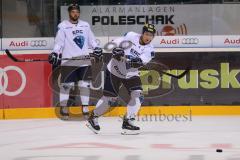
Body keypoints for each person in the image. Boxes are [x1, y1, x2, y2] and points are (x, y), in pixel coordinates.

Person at [86, 23, 156, 134]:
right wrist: (116, 49)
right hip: (114, 70)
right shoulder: (131, 36)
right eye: (147, 34)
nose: (148, 37)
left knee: (138, 96)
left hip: (131, 74)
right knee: (110, 99)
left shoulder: (150, 50)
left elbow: (140, 62)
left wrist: (135, 61)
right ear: (142, 33)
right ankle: (93, 117)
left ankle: (128, 121)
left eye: (151, 35)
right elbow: (114, 43)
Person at [48, 4, 102, 119]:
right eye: (73, 12)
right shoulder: (63, 26)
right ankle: (64, 107)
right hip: (69, 61)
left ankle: (85, 108)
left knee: (85, 85)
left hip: (84, 61)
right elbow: (59, 43)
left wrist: (97, 48)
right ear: (69, 13)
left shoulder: (85, 25)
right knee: (66, 86)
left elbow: (91, 40)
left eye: (77, 11)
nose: (75, 14)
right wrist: (55, 53)